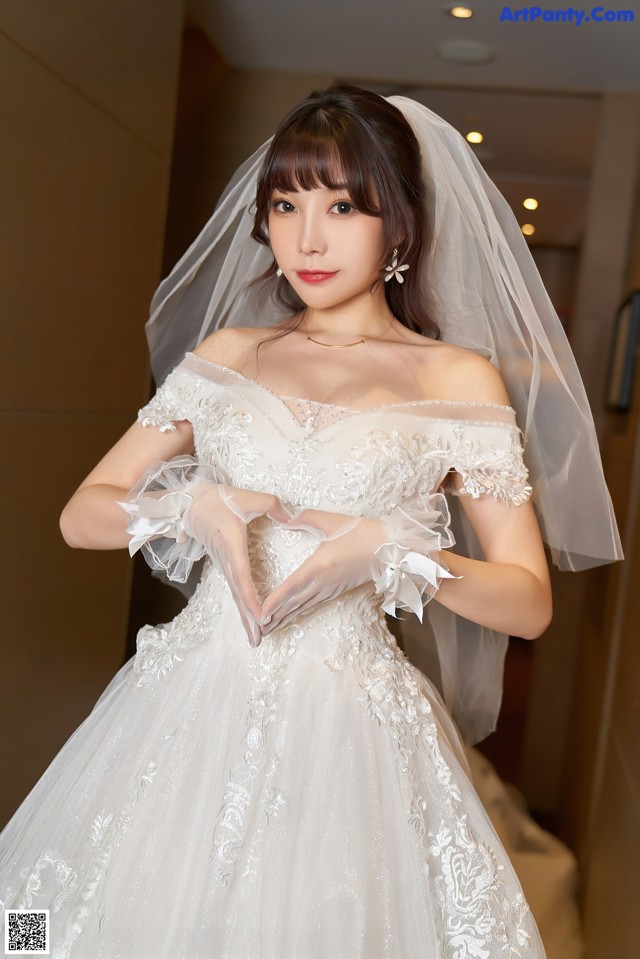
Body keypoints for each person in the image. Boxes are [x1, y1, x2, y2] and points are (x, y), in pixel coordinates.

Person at [0, 86, 621, 958]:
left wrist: (390, 549)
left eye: (342, 206)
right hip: (185, 706)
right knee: (65, 926)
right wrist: (194, 504)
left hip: (348, 732)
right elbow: (83, 515)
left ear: (396, 224)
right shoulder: (227, 357)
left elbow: (527, 601)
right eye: (286, 205)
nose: (308, 237)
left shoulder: (455, 380)